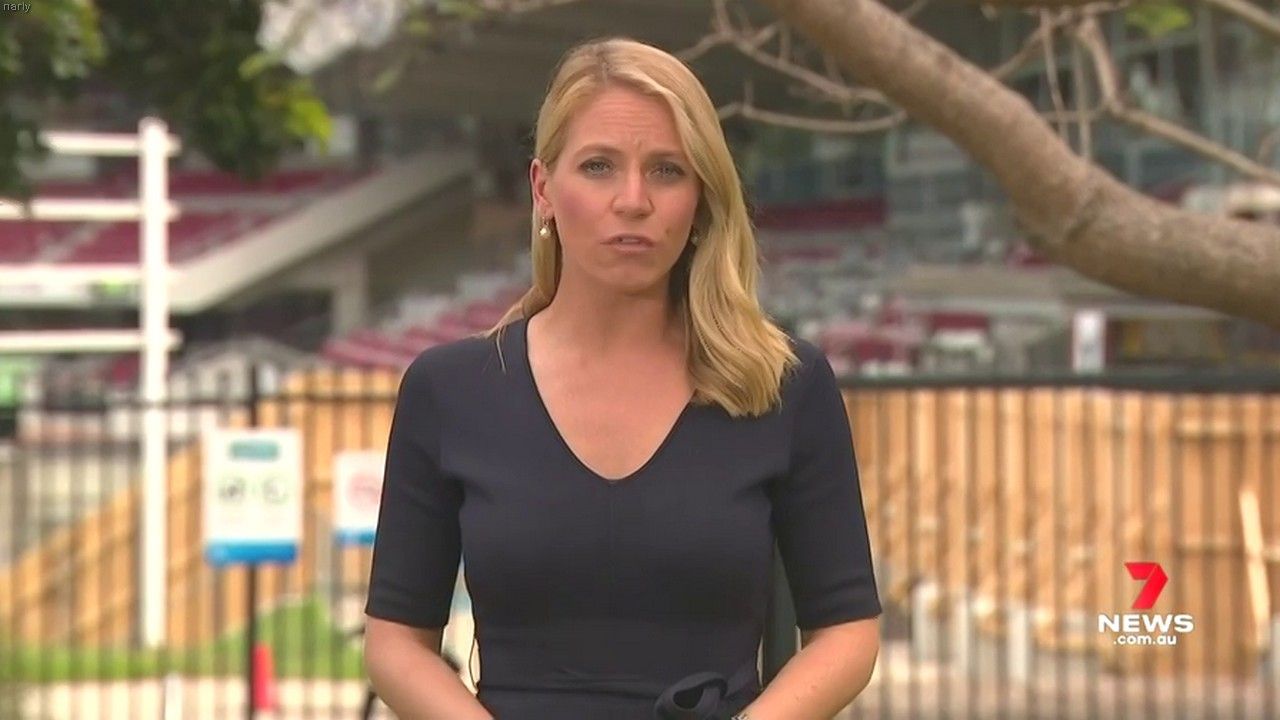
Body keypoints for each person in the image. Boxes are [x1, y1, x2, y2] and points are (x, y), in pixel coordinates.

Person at [363, 37, 881, 720]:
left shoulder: (783, 384)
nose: (633, 200)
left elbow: (847, 632)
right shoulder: (449, 390)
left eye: (667, 170)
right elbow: (396, 642)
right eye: (598, 166)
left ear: (701, 196)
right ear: (543, 189)